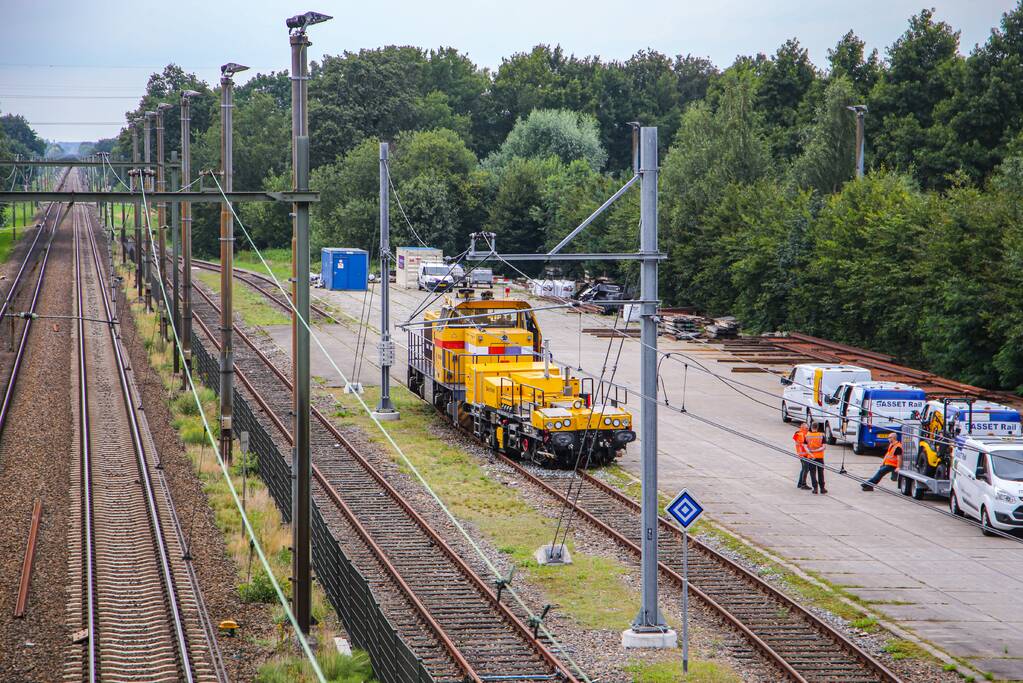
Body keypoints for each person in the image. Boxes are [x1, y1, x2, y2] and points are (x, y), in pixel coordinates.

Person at [806, 426, 827, 494]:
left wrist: (811, 452)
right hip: (820, 457)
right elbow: (824, 447)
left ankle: (815, 489)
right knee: (821, 473)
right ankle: (822, 488)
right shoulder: (821, 435)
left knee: (813, 473)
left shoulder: (807, 435)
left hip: (811, 457)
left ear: (811, 428)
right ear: (817, 428)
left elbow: (805, 446)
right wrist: (817, 450)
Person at [794, 423, 811, 490]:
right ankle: (803, 484)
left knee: (804, 469)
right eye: (806, 428)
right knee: (806, 469)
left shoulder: (803, 433)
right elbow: (804, 444)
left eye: (808, 428)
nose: (808, 429)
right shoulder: (800, 435)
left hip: (804, 454)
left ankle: (800, 483)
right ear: (803, 428)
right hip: (803, 455)